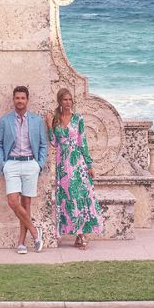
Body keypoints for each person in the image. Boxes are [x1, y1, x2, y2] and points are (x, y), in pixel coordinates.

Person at [47, 87, 103, 249]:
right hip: (62, 166)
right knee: (66, 198)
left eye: (70, 100)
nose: (68, 102)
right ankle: (69, 233)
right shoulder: (56, 119)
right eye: (65, 99)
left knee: (80, 196)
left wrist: (89, 165)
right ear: (59, 101)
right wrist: (50, 127)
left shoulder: (78, 119)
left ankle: (81, 234)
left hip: (77, 164)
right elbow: (54, 142)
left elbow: (82, 142)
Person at [0, 84, 48, 254]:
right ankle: (35, 232)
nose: (20, 101)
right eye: (17, 98)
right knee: (13, 202)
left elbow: (43, 145)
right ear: (13, 100)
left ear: (27, 100)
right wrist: (3, 164)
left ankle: (21, 243)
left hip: (31, 164)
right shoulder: (5, 120)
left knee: (26, 204)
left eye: (22, 98)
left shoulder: (37, 121)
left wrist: (39, 164)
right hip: (12, 164)